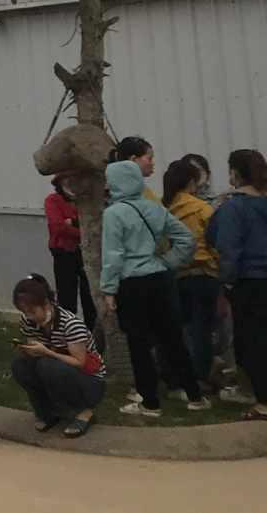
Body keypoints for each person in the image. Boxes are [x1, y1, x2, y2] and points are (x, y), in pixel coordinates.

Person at [99, 158, 208, 415]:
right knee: (173, 339)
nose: (107, 185)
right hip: (161, 278)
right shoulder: (154, 207)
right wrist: (168, 262)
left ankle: (150, 403)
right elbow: (186, 239)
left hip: (131, 283)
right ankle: (195, 396)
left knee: (139, 344)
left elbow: (113, 255)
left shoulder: (113, 213)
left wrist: (108, 289)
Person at [207, 148, 267, 419]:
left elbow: (224, 246)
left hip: (250, 282)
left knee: (251, 343)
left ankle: (264, 403)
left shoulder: (234, 207)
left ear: (235, 173)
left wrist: (227, 283)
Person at [10, 275, 106, 438]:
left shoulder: (71, 324)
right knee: (20, 365)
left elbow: (79, 362)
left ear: (46, 304)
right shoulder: (28, 321)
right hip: (55, 367)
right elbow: (34, 346)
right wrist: (26, 350)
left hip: (90, 380)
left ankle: (84, 411)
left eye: (32, 311)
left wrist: (48, 352)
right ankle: (47, 412)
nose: (29, 316)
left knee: (47, 365)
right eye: (24, 312)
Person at [162, 158, 226, 399]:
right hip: (204, 274)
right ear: (191, 182)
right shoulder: (202, 208)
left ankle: (181, 376)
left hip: (177, 275)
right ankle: (200, 378)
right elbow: (216, 242)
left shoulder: (165, 210)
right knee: (202, 330)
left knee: (183, 329)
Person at [43, 175, 103, 338]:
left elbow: (94, 224)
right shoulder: (53, 200)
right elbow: (58, 227)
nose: (71, 184)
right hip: (64, 253)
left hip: (86, 252)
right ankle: (68, 334)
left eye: (74, 181)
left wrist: (72, 223)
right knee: (66, 297)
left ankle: (91, 336)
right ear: (59, 184)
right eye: (66, 181)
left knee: (89, 296)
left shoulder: (84, 200)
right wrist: (81, 229)